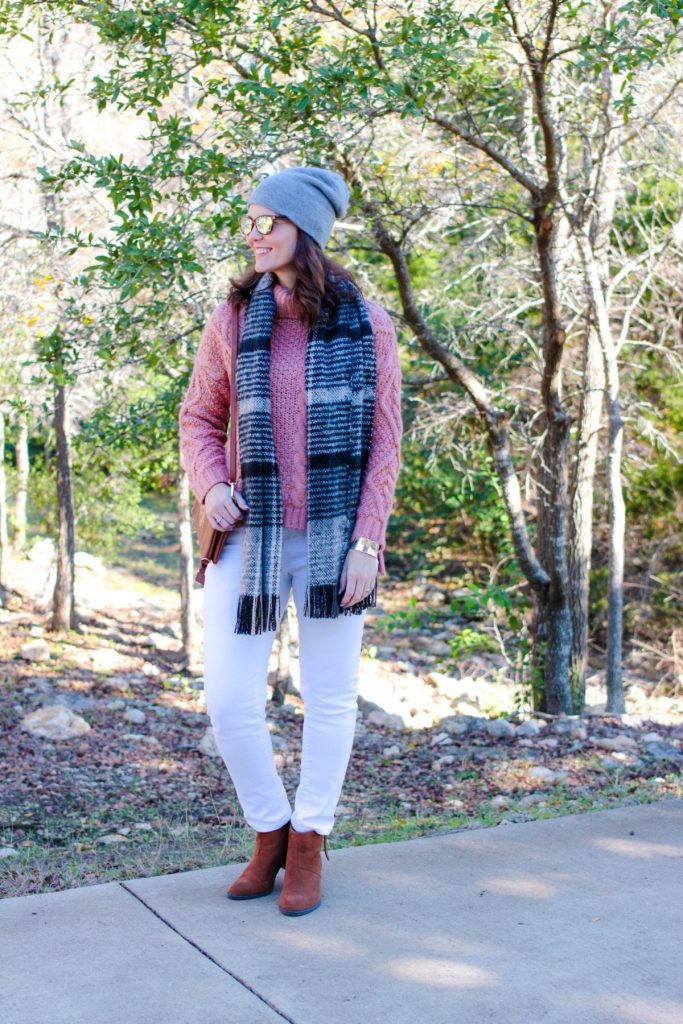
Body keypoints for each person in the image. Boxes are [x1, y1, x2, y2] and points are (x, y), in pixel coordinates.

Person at [178, 165, 402, 916]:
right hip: (252, 534)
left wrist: (367, 544)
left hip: (336, 539)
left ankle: (310, 840)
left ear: (305, 230)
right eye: (249, 219)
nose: (253, 233)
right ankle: (269, 828)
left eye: (267, 220)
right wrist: (211, 485)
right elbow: (197, 420)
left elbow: (384, 445)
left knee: (330, 697)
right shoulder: (233, 318)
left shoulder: (367, 324)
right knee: (228, 699)